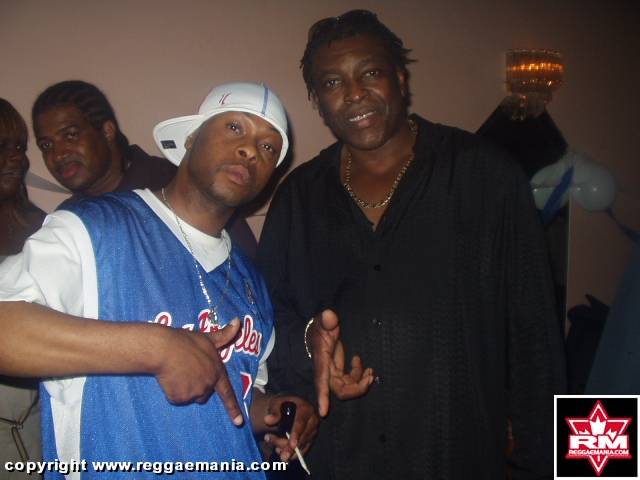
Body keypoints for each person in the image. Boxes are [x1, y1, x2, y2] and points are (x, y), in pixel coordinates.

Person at [256, 10, 566, 479]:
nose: (354, 93)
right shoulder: (297, 199)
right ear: (317, 101)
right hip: (339, 459)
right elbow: (270, 323)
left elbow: (534, 332)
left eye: (370, 73)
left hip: (455, 455)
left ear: (400, 78)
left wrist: (543, 461)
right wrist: (308, 345)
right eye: (333, 83)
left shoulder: (485, 176)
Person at [0, 82, 317, 478]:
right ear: (191, 139)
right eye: (235, 128)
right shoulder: (94, 227)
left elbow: (232, 397)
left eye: (268, 147)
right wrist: (155, 347)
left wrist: (272, 411)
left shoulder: (252, 282)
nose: (251, 150)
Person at [31, 80, 258, 258]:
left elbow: (248, 272)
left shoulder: (178, 184)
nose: (58, 154)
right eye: (46, 145)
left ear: (107, 131)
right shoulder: (67, 217)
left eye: (70, 135)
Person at [0, 98, 46, 478]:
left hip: (40, 419)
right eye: (3, 146)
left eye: (20, 146)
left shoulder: (39, 226)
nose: (17, 157)